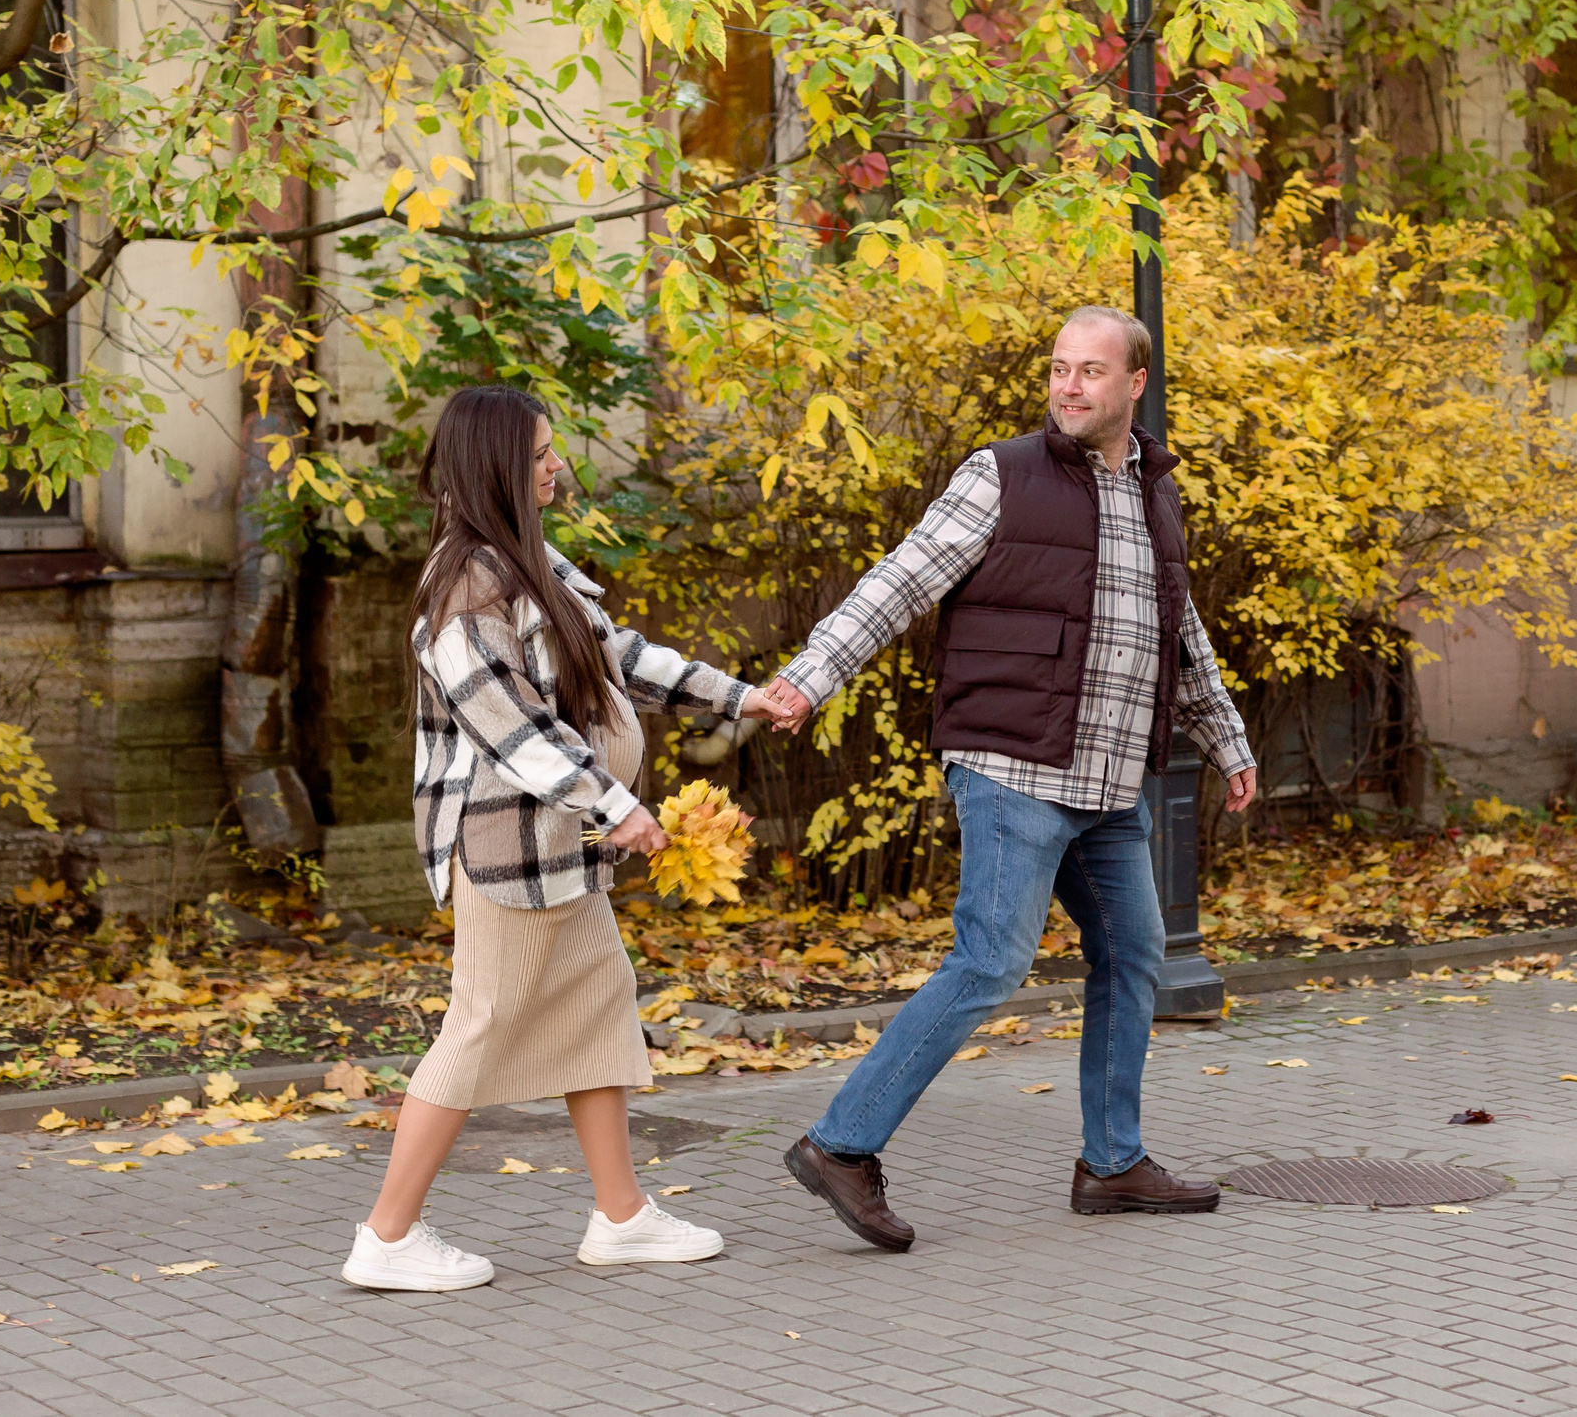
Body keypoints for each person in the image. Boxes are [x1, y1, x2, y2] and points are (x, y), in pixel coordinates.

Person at [761, 306, 1260, 1251]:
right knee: (992, 958)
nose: (1069, 386)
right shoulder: (1002, 475)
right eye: (1059, 368)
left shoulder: (1155, 488)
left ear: (1134, 385)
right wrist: (813, 672)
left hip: (1108, 780)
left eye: (1092, 371)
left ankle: (1113, 1164)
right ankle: (842, 1144)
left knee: (1134, 953)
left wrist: (1225, 737)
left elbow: (1177, 630)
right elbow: (901, 579)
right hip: (1012, 762)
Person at [341, 385, 796, 1291]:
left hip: (562, 846)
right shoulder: (463, 589)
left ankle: (622, 1216)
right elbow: (509, 728)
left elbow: (618, 655)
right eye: (542, 452)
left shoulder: (526, 563)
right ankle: (387, 1236)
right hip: (511, 848)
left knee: (598, 1002)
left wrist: (738, 696)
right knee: (480, 1021)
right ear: (498, 467)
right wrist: (614, 803)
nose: (557, 465)